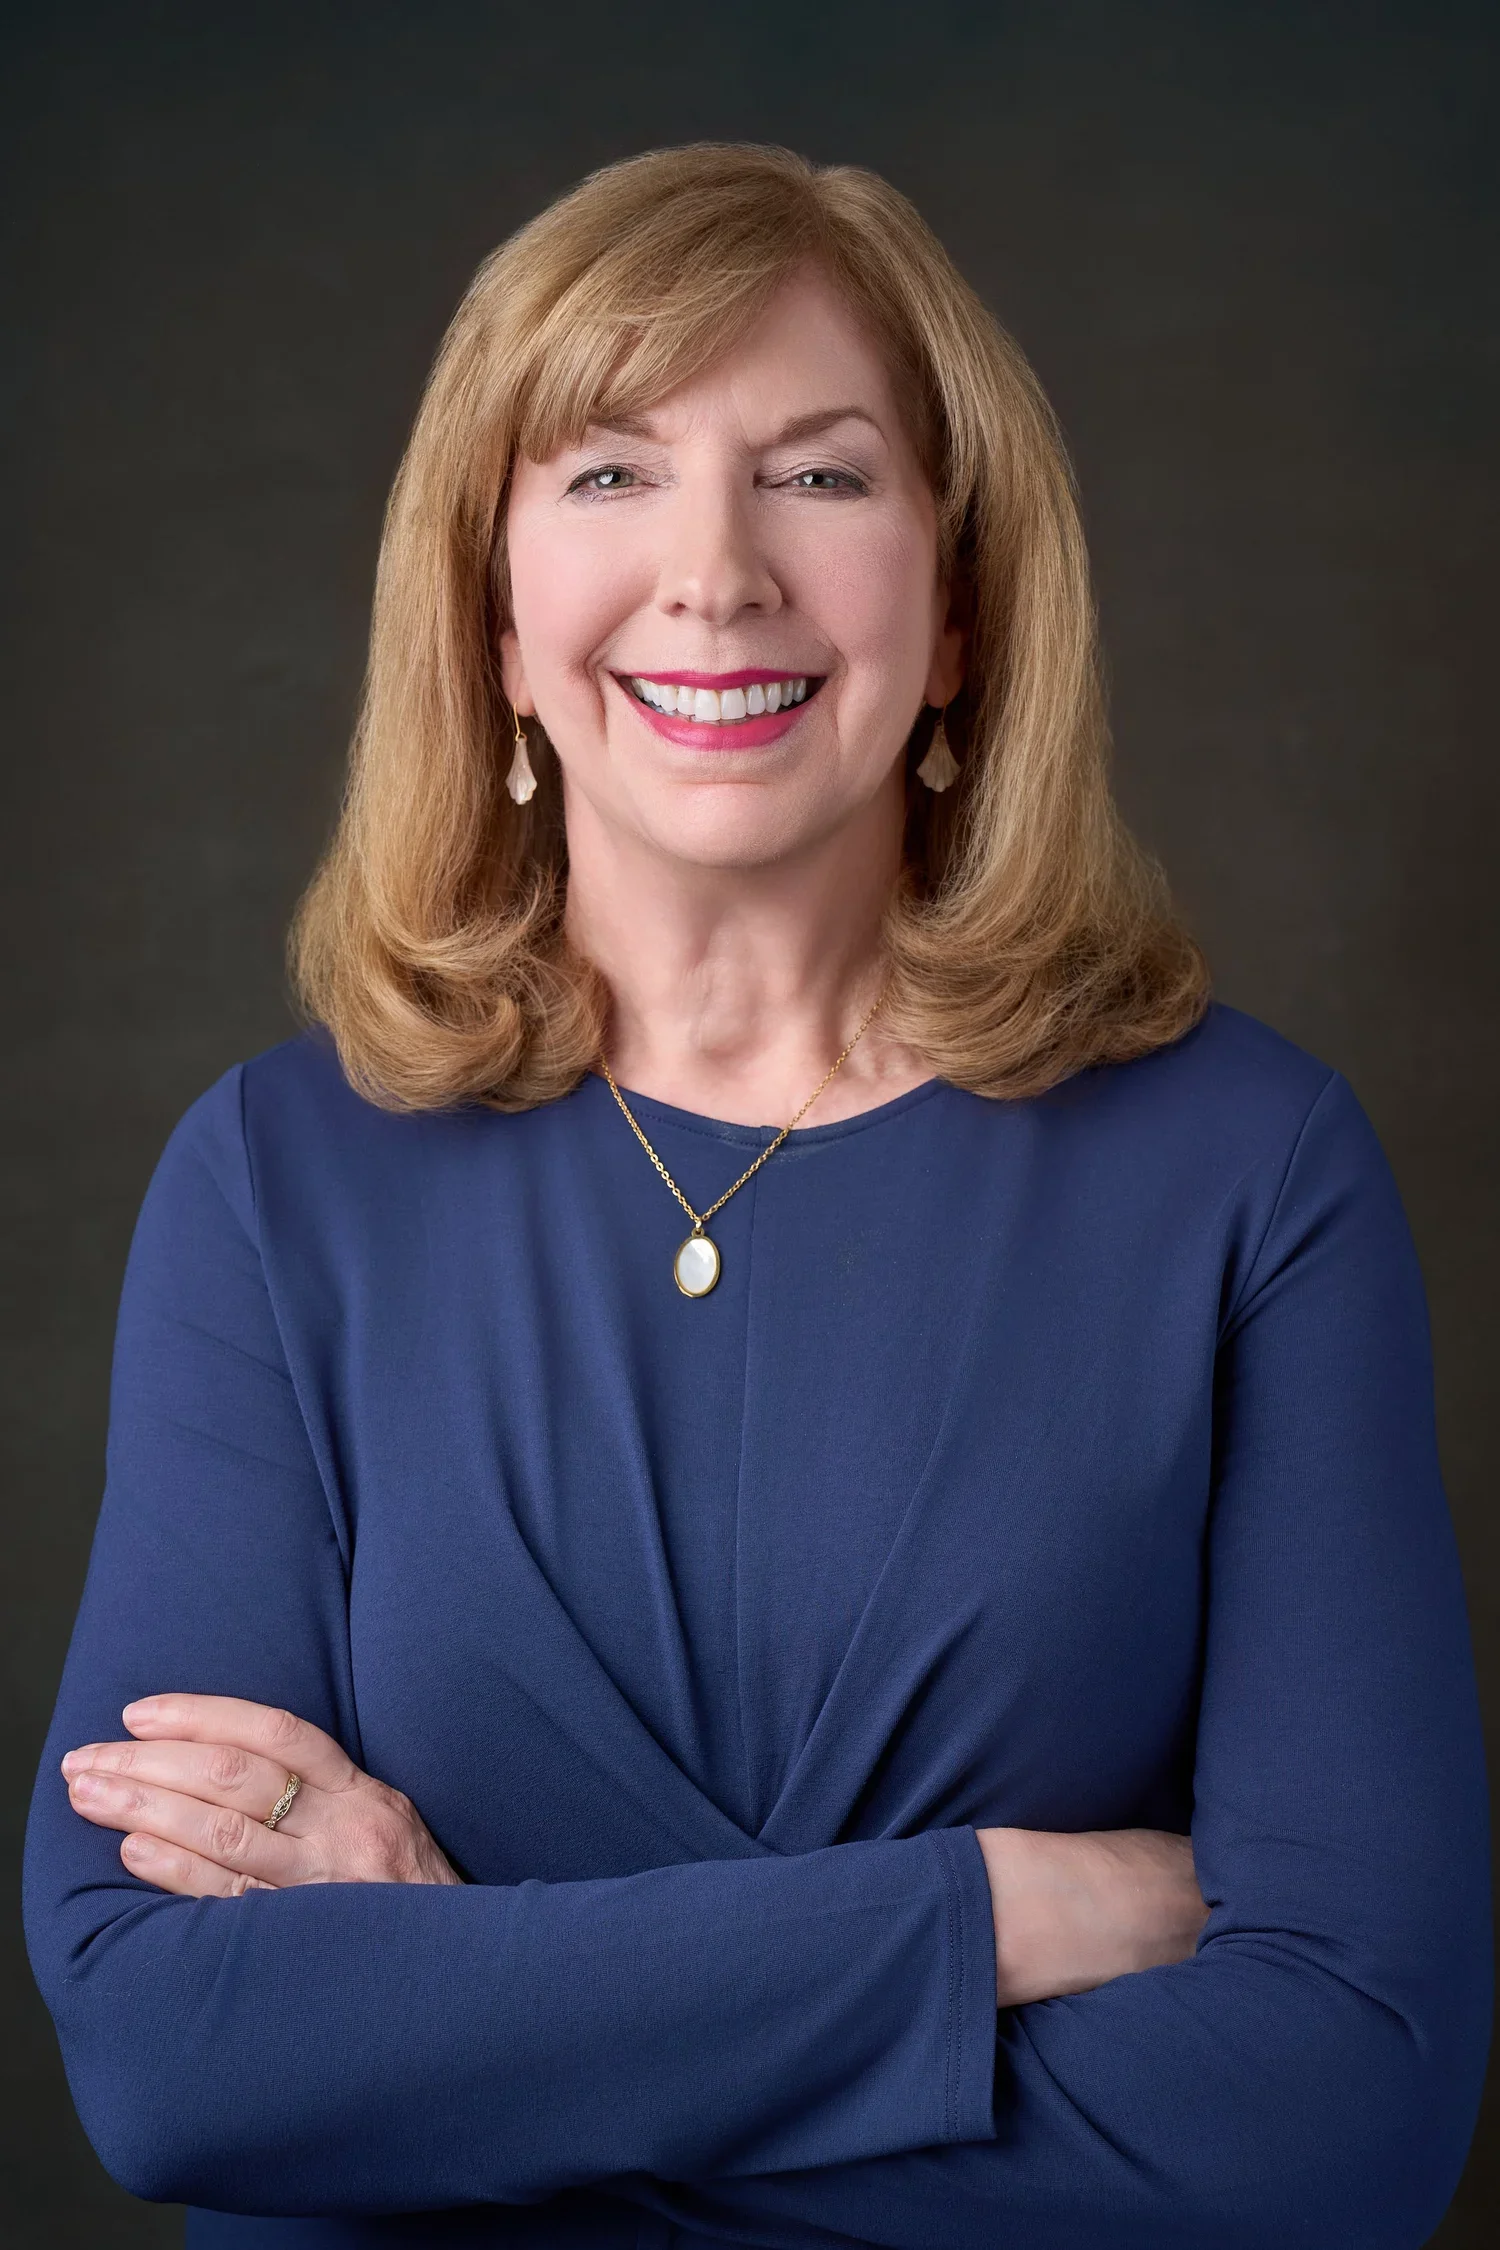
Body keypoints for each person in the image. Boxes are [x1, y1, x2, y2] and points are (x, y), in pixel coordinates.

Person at [22, 141, 1491, 2250]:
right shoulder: (276, 1185)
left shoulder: (1252, 1177)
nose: (717, 573)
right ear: (495, 618)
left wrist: (455, 2029)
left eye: (821, 474)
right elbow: (175, 2060)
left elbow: (1346, 2122)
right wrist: (987, 1916)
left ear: (962, 605)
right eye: (608, 475)